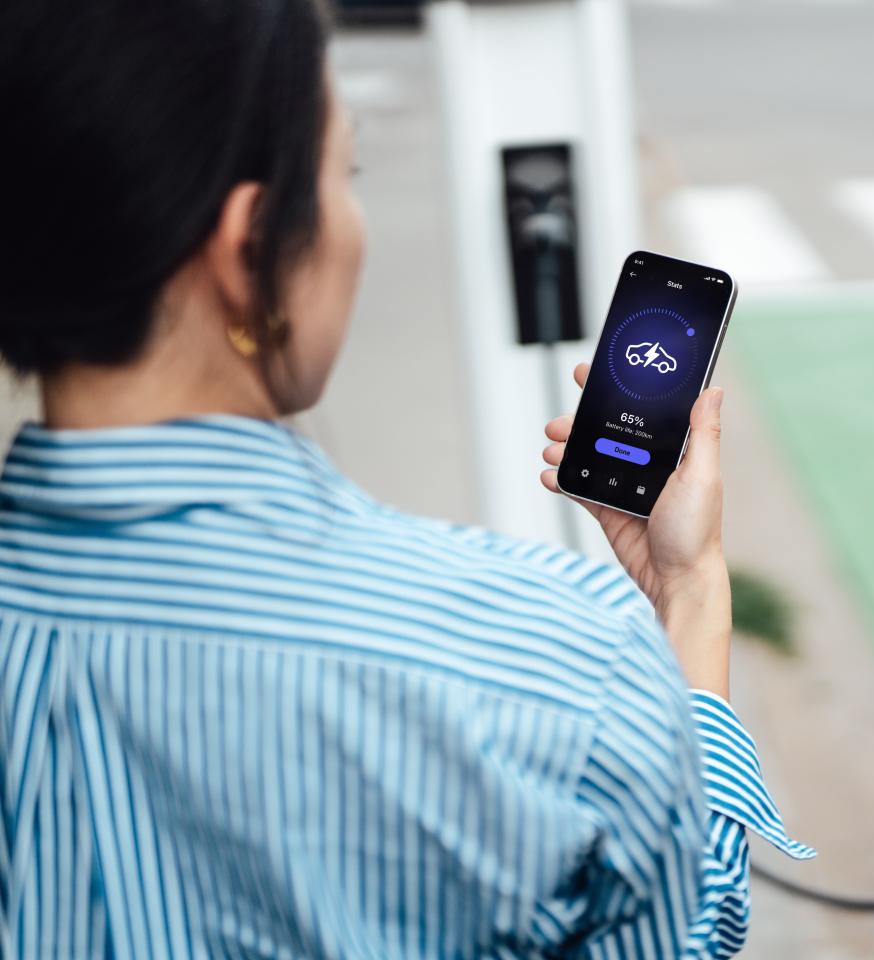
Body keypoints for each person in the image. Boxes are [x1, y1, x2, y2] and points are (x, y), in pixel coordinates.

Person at [0, 1, 812, 957]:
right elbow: (685, 931)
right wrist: (690, 593)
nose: (351, 223)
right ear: (255, 249)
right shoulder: (561, 662)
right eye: (343, 176)